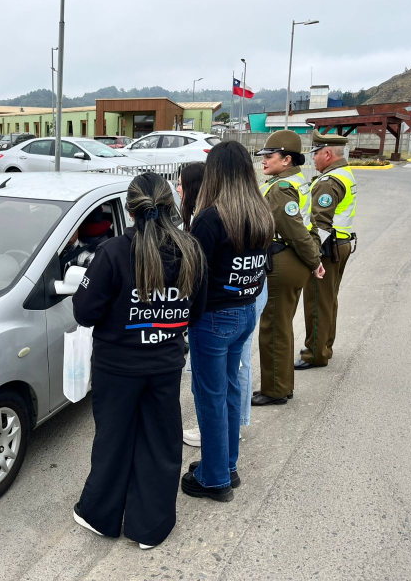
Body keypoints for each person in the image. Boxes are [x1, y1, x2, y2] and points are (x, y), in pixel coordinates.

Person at [72, 172, 207, 549]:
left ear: (130, 210)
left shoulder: (113, 251)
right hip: (165, 364)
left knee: (112, 440)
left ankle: (99, 515)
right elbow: (196, 312)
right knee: (161, 444)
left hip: (116, 369)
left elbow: (84, 312)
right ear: (170, 205)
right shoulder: (191, 250)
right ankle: (151, 527)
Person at [180, 141, 274, 502]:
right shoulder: (261, 213)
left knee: (210, 396)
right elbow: (264, 266)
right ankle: (226, 464)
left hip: (214, 318)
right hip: (246, 310)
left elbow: (192, 273)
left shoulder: (211, 218)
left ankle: (215, 478)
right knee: (230, 390)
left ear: (215, 173)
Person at [251, 130, 325, 407]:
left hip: (283, 259)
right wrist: (313, 259)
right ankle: (282, 384)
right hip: (291, 258)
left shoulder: (282, 188)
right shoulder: (294, 181)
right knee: (280, 325)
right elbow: (308, 225)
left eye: (269, 156)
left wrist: (315, 261)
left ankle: (274, 390)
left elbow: (295, 231)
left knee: (273, 326)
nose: (263, 160)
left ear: (287, 159)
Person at [295, 130, 357, 370]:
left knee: (317, 301)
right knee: (328, 299)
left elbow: (320, 223)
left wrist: (312, 256)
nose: (313, 158)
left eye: (316, 153)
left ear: (328, 154)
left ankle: (315, 353)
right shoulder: (345, 173)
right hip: (341, 243)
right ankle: (325, 346)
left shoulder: (329, 182)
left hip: (327, 248)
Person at [59, 206, 112, 272]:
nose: (68, 230)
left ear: (77, 226)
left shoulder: (89, 256)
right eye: (64, 227)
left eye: (71, 226)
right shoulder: (49, 248)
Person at [177, 162, 205, 230]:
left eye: (180, 184)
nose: (177, 189)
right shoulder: (198, 216)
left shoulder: (203, 222)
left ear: (193, 187)